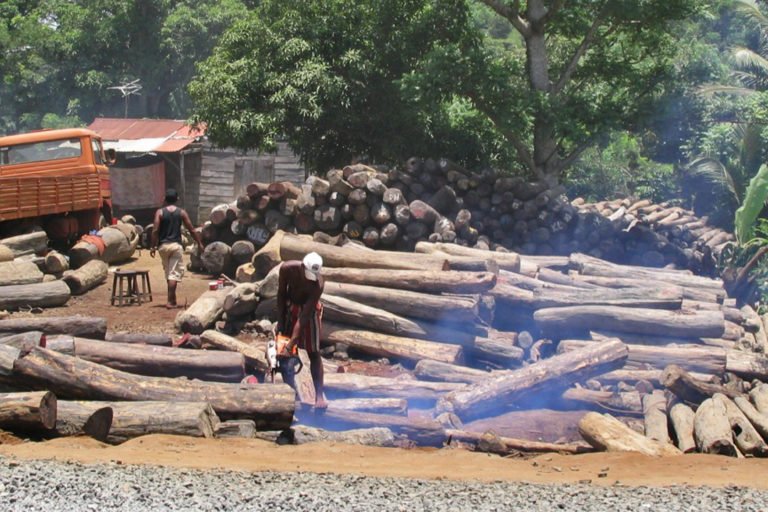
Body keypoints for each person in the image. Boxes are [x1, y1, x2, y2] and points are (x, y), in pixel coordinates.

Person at [276, 252, 327, 409]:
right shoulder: (287, 269)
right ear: (303, 266)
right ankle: (291, 394)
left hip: (308, 312)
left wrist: (292, 342)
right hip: (291, 306)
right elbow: (281, 295)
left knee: (314, 352)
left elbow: (304, 316)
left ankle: (319, 395)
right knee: (284, 355)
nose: (309, 279)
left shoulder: (318, 284)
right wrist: (281, 323)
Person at [150, 188, 204, 309]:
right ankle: (170, 301)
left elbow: (155, 230)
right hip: (175, 246)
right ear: (177, 199)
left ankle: (172, 298)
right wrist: (199, 243)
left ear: (165, 199)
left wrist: (153, 246)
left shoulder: (160, 212)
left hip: (163, 246)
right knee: (173, 274)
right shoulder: (181, 212)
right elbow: (191, 229)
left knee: (169, 273)